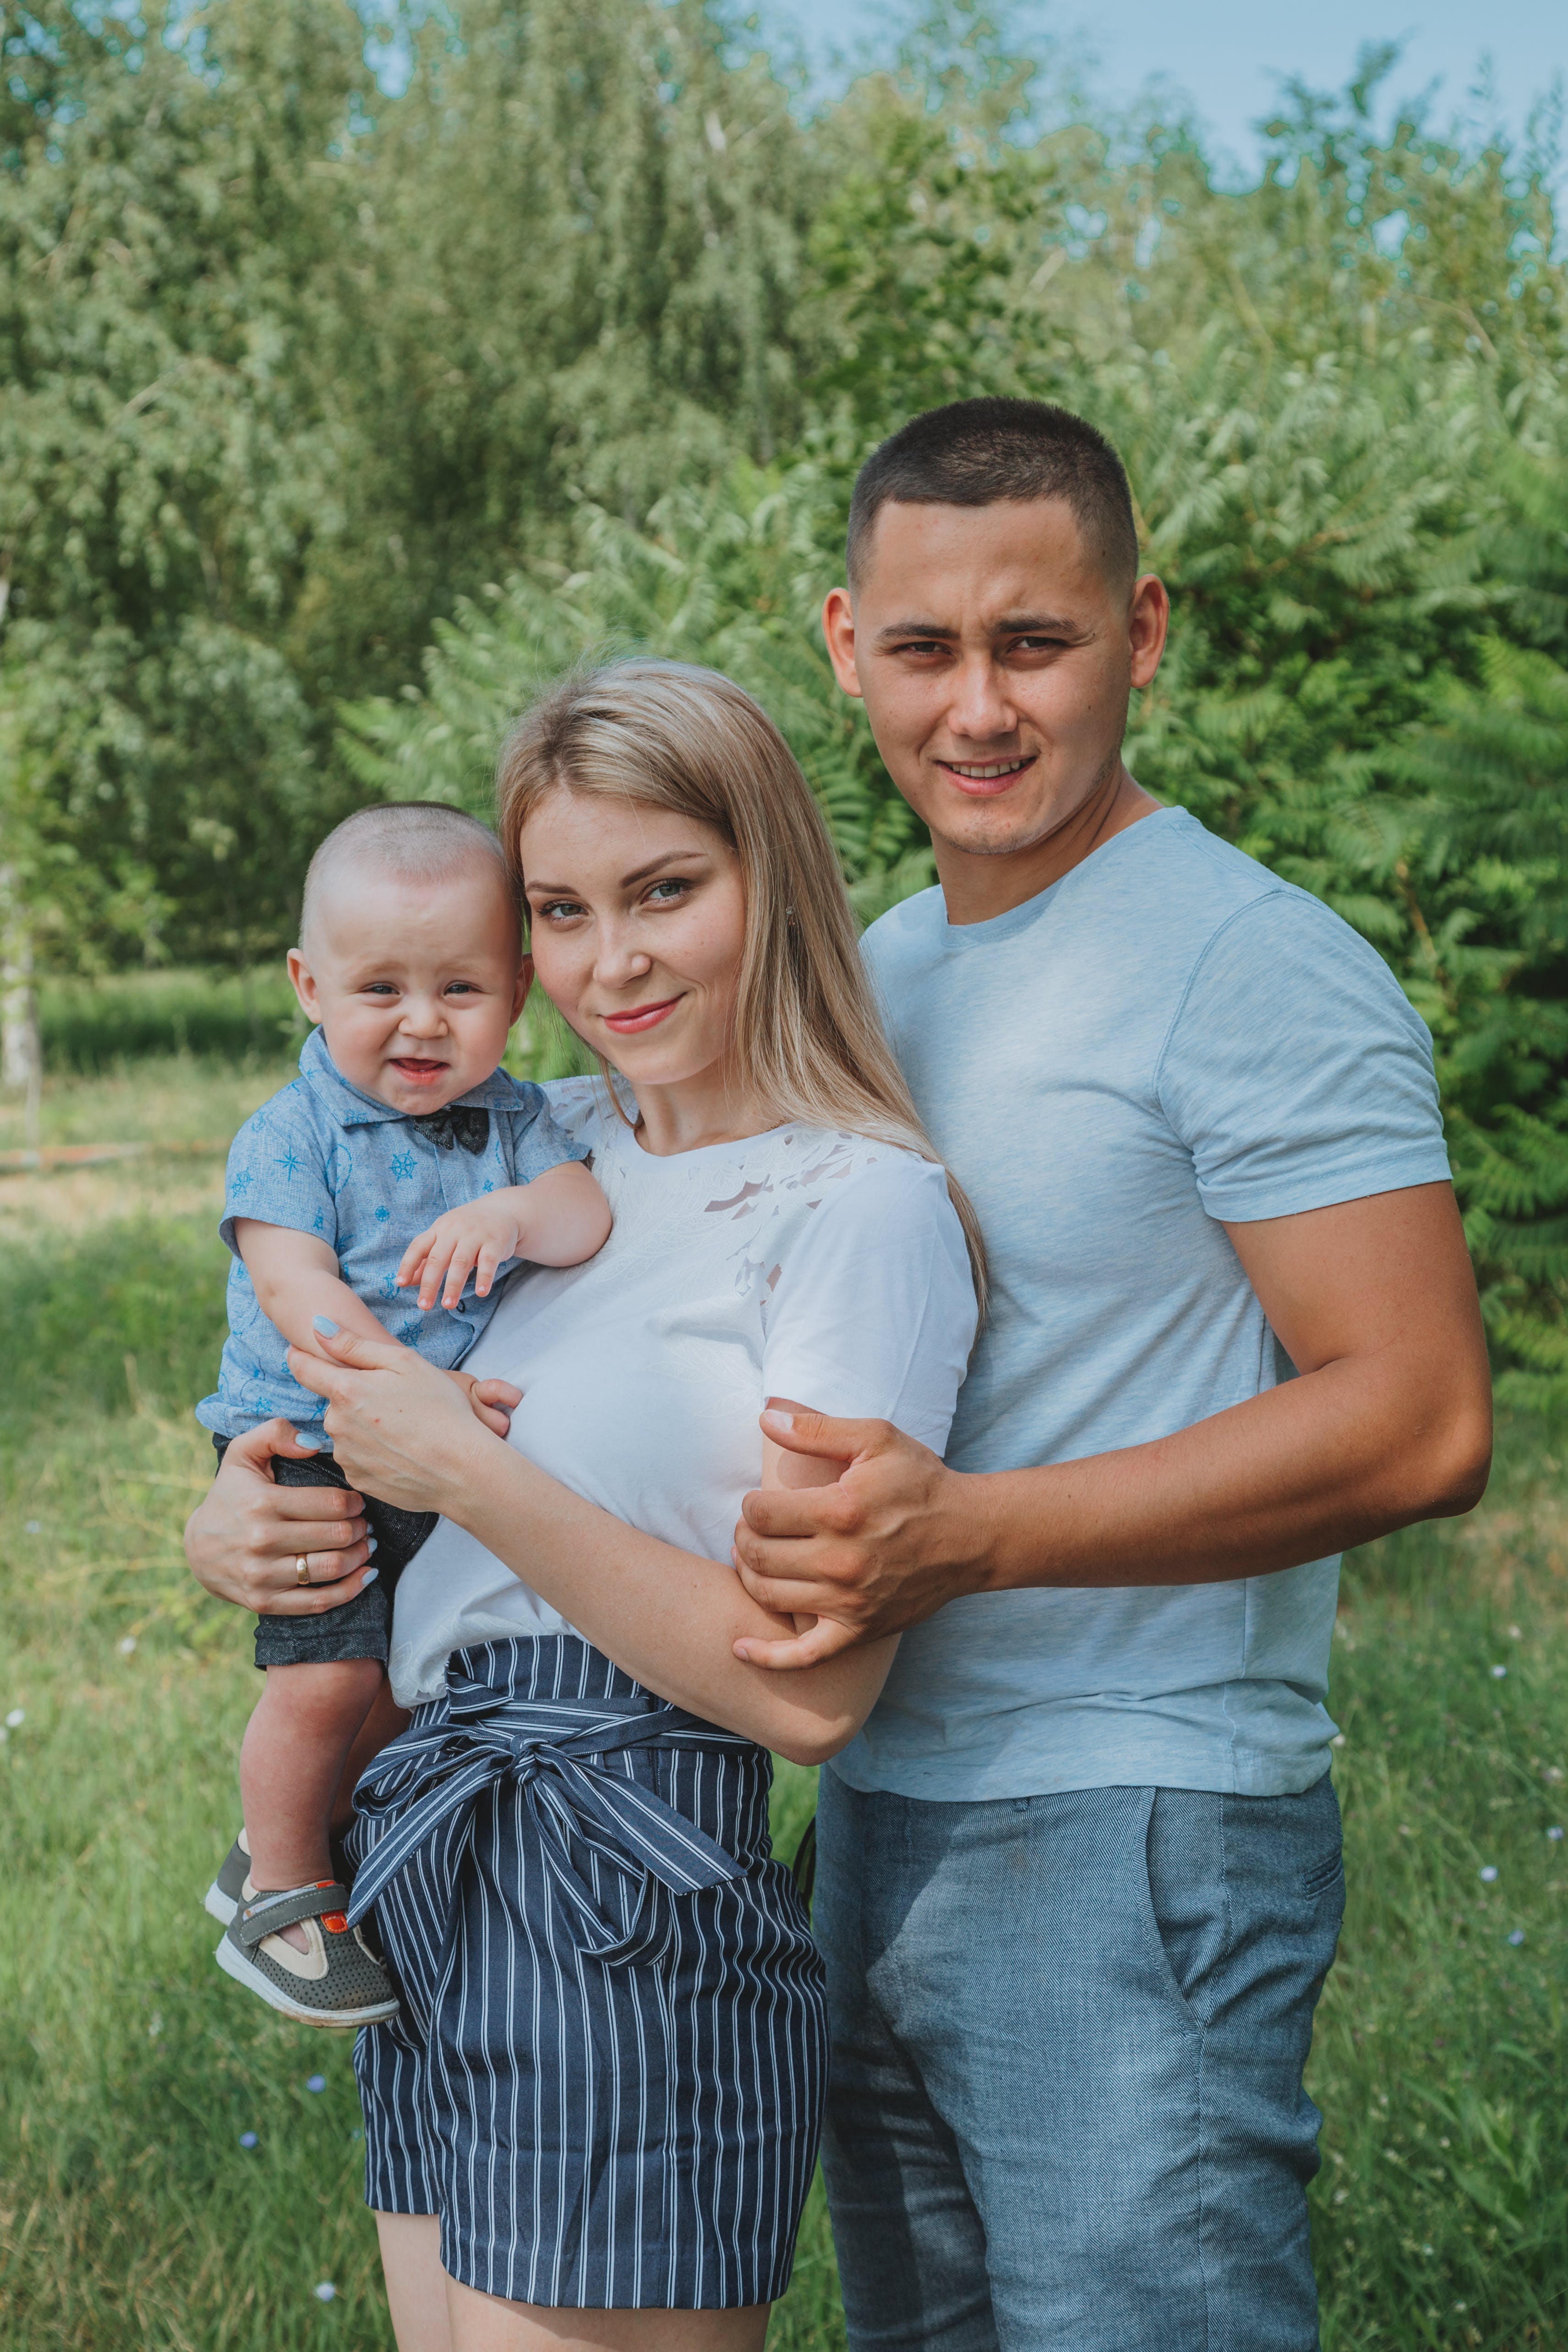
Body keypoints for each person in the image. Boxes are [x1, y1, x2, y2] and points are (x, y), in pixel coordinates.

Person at [728, 399, 1495, 2350]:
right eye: (923, 648)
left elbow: (1421, 1412)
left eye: (1034, 643)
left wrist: (973, 1537)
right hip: (878, 1819)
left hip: (1135, 1831)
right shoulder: (877, 963)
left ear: (1141, 630)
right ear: (843, 645)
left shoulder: (1249, 962)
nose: (975, 706)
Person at [183, 660, 981, 2352]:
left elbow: (807, 1688)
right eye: (559, 908)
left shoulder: (855, 1208)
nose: (608, 961)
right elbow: (331, 1374)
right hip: (430, 1825)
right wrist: (236, 1524)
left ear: (775, 881)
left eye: (665, 891)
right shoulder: (530, 1143)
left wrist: (465, 1467)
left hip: (626, 1851)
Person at [197, 801, 611, 2027]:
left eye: (461, 988)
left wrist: (511, 1217)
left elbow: (582, 1214)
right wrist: (415, 1389)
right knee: (325, 1683)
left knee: (399, 1675)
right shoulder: (292, 1134)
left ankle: (280, 1840)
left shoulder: (518, 1121)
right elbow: (298, 1295)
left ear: (518, 989)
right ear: (307, 984)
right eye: (379, 987)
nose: (422, 1023)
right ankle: (281, 1896)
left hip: (423, 1454)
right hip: (310, 1438)